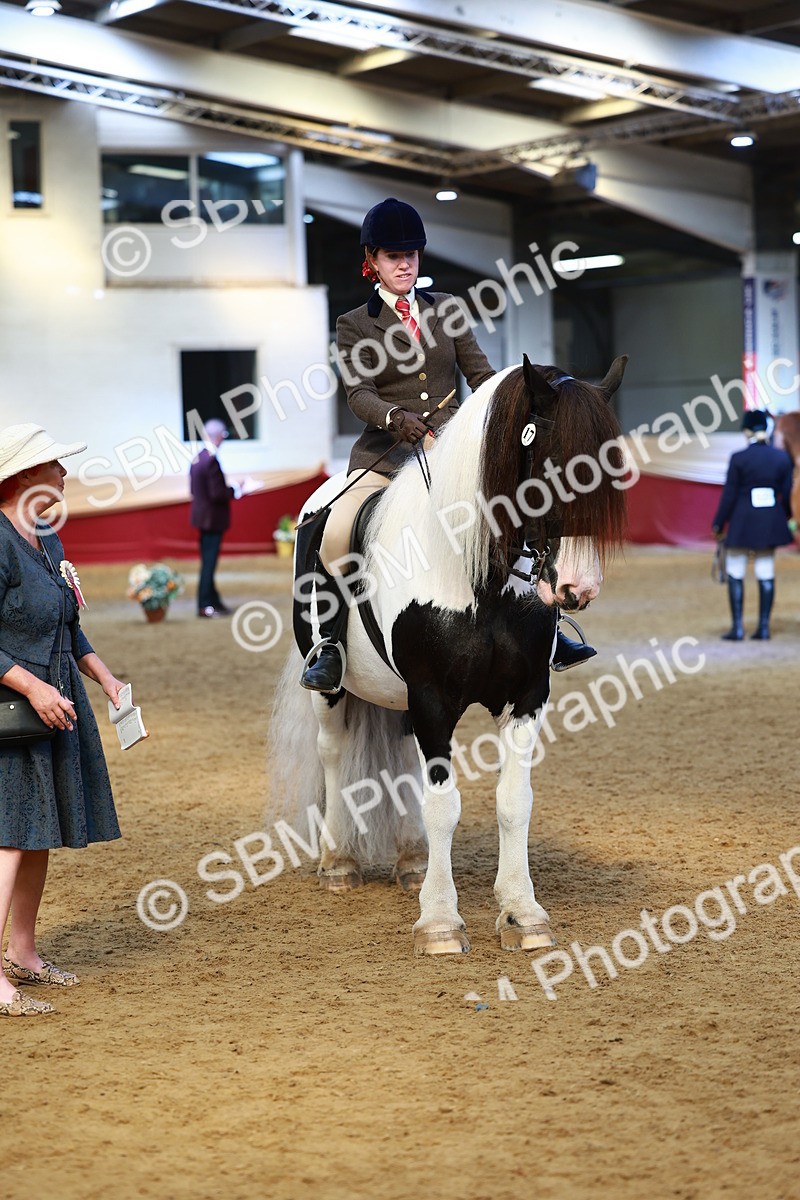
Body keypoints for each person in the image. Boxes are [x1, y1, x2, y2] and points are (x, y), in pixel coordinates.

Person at [301, 197, 595, 692]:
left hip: (454, 450)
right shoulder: (354, 324)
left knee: (518, 513)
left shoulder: (448, 311)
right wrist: (396, 418)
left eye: (411, 255)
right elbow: (358, 394)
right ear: (372, 260)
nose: (404, 265)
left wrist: (515, 397)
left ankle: (548, 627)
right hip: (386, 457)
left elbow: (480, 375)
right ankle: (329, 642)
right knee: (336, 530)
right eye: (393, 256)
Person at [0, 423, 124, 1017]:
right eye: (55, 465)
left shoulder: (47, 536)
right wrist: (32, 687)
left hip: (55, 699)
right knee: (7, 841)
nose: (65, 474)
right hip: (12, 706)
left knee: (38, 833)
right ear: (23, 476)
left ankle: (22, 951)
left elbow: (69, 625)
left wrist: (105, 677)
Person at [712, 409, 794, 640]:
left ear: (747, 430)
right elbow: (788, 494)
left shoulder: (739, 458)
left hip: (742, 521)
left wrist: (718, 523)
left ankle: (737, 629)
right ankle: (764, 628)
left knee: (736, 571)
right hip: (770, 521)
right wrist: (785, 516)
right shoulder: (781, 458)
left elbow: (729, 495)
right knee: (765, 571)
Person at [189, 418, 238, 618]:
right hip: (212, 519)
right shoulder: (211, 460)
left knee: (208, 561)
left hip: (202, 518)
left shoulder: (198, 457)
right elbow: (217, 493)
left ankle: (213, 599)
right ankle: (204, 604)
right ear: (219, 437)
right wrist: (235, 489)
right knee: (209, 563)